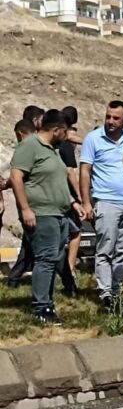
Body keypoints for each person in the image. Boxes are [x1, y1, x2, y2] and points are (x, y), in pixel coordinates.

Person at [10, 109, 85, 324]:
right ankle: (41, 307)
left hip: (59, 213)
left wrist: (73, 202)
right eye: (65, 132)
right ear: (56, 130)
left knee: (52, 259)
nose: (67, 136)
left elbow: (56, 180)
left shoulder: (52, 150)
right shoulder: (30, 146)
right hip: (42, 213)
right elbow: (16, 177)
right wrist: (25, 209)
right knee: (45, 259)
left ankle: (47, 301)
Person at [80, 100, 123, 311]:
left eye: (116, 118)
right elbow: (85, 170)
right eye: (108, 117)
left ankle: (117, 288)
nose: (111, 121)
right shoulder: (93, 139)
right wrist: (86, 201)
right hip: (105, 201)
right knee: (105, 249)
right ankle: (105, 293)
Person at [6, 120, 35, 287]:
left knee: (31, 244)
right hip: (32, 205)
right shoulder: (29, 149)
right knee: (46, 247)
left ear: (19, 134)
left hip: (30, 205)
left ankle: (14, 279)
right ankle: (68, 283)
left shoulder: (28, 148)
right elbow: (18, 176)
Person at [59, 106, 82, 287]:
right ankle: (70, 268)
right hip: (66, 195)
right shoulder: (66, 146)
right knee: (75, 232)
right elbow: (70, 173)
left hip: (54, 192)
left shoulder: (55, 140)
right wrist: (79, 196)